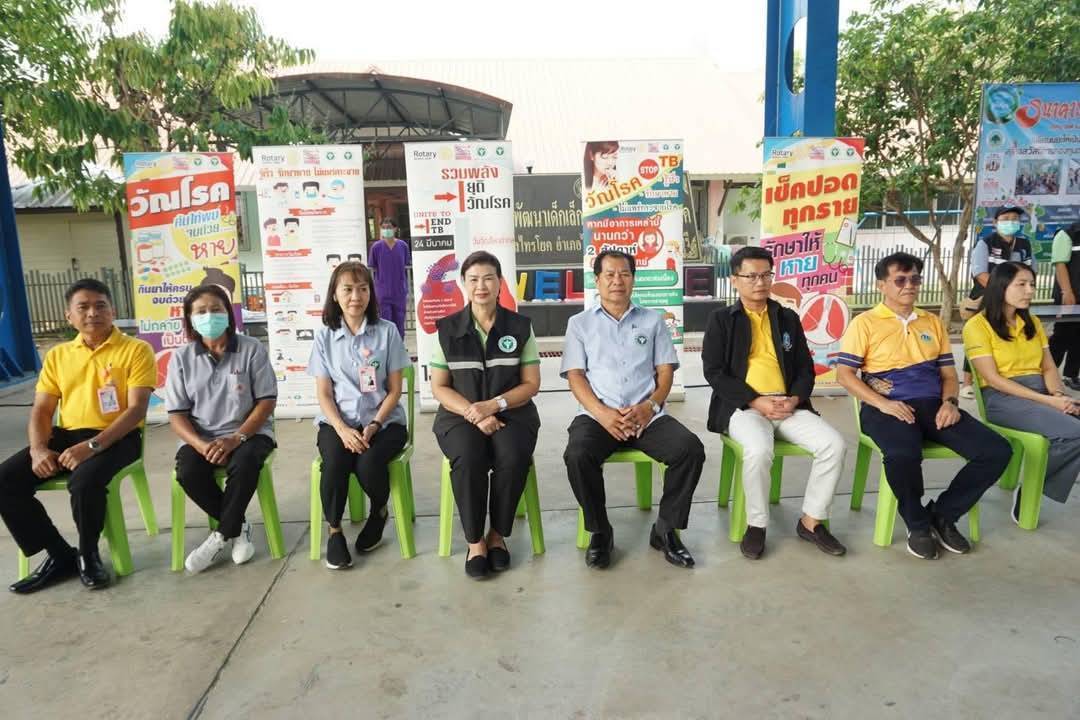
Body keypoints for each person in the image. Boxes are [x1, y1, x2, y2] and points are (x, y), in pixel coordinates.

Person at [836, 252, 1012, 560]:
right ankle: (916, 523)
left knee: (996, 450)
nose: (909, 285)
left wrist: (951, 402)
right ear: (881, 285)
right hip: (885, 407)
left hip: (933, 405)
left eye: (915, 279)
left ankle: (943, 515)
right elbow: (844, 375)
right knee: (903, 454)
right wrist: (884, 404)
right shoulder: (864, 323)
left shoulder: (932, 322)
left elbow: (949, 375)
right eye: (900, 280)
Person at [0, 279, 155, 593]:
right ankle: (60, 555)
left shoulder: (136, 350)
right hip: (67, 434)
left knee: (84, 481)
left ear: (112, 311)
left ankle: (88, 554)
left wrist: (93, 446)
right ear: (69, 316)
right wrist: (38, 449)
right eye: (83, 307)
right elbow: (42, 410)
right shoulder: (58, 355)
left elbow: (137, 409)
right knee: (5, 480)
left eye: (100, 305)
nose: (92, 313)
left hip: (118, 437)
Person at [561, 250, 704, 570]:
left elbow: (665, 372)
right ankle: (600, 531)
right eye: (609, 274)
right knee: (578, 455)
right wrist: (602, 414)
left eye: (624, 274)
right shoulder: (579, 324)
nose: (617, 281)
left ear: (633, 279)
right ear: (597, 280)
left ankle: (666, 530)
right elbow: (575, 376)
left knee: (689, 450)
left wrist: (650, 406)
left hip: (646, 414)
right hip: (598, 415)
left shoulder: (653, 320)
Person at [702, 246, 847, 560]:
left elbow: (806, 368)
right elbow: (713, 372)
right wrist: (755, 401)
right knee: (758, 450)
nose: (760, 282)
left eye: (766, 275)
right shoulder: (722, 320)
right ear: (735, 280)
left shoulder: (787, 317)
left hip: (788, 405)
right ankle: (757, 524)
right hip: (743, 407)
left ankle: (811, 521)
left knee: (834, 445)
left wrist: (794, 398)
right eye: (751, 276)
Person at [430, 251, 541, 579]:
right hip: (458, 416)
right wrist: (475, 413)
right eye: (474, 279)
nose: (481, 286)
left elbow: (531, 384)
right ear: (463, 284)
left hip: (513, 413)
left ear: (500, 283)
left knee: (513, 454)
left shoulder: (520, 327)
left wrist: (494, 406)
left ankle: (497, 535)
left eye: (489, 278)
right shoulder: (447, 330)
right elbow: (439, 387)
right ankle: (475, 541)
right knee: (468, 456)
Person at [166, 284, 278, 574]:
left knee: (245, 463)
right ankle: (238, 527)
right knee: (188, 472)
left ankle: (220, 536)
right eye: (201, 311)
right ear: (190, 319)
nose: (209, 316)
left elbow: (266, 401)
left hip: (249, 433)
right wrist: (201, 445)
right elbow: (177, 415)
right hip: (201, 437)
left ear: (228, 313)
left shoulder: (251, 349)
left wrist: (236, 438)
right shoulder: (181, 358)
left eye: (216, 309)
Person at [308, 262, 411, 570]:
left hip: (385, 422)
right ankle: (334, 531)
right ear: (335, 295)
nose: (356, 296)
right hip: (338, 422)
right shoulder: (324, 337)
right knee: (335, 462)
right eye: (348, 289)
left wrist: (375, 423)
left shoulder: (387, 332)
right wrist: (342, 429)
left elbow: (395, 390)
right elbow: (324, 394)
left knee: (368, 464)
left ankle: (379, 511)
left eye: (363, 289)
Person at [963, 261, 1080, 520]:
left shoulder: (1033, 323)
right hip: (1002, 398)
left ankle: (1037, 484)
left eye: (1032, 285)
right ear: (1001, 286)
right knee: (1075, 433)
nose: (1030, 291)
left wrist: (1058, 395)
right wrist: (1048, 402)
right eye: (1022, 284)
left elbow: (1048, 367)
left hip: (1041, 393)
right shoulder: (977, 326)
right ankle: (1031, 491)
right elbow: (993, 379)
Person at [959, 205, 1035, 398]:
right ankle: (967, 382)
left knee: (1010, 336)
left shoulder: (1024, 244)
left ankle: (1009, 377)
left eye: (1015, 218)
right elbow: (980, 273)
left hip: (1015, 301)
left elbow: (1030, 270)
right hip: (987, 297)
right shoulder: (985, 243)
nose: (1011, 222)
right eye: (1006, 218)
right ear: (995, 222)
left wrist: (1019, 291)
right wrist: (1002, 292)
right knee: (979, 337)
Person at [1049, 220, 1080, 389]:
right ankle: (1048, 375)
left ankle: (1071, 375)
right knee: (1062, 336)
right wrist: (1067, 292)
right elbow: (1060, 264)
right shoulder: (1067, 234)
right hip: (1069, 296)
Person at [368, 217, 410, 338]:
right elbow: (372, 266)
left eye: (389, 227)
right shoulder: (376, 247)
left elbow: (406, 263)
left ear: (395, 229)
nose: (386, 230)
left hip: (399, 290)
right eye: (384, 228)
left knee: (400, 319)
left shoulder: (402, 246)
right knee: (385, 321)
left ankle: (399, 344)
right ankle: (386, 345)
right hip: (382, 291)